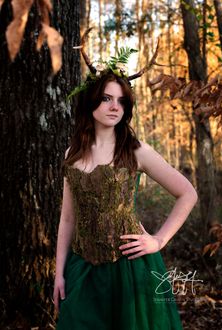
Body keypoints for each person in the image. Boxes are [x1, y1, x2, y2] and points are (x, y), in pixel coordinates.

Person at [53, 42, 198, 330]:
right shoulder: (72, 155)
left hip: (131, 268)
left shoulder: (135, 151)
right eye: (106, 98)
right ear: (91, 101)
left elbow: (187, 193)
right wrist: (59, 273)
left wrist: (158, 240)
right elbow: (68, 218)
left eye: (120, 101)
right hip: (83, 268)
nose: (114, 106)